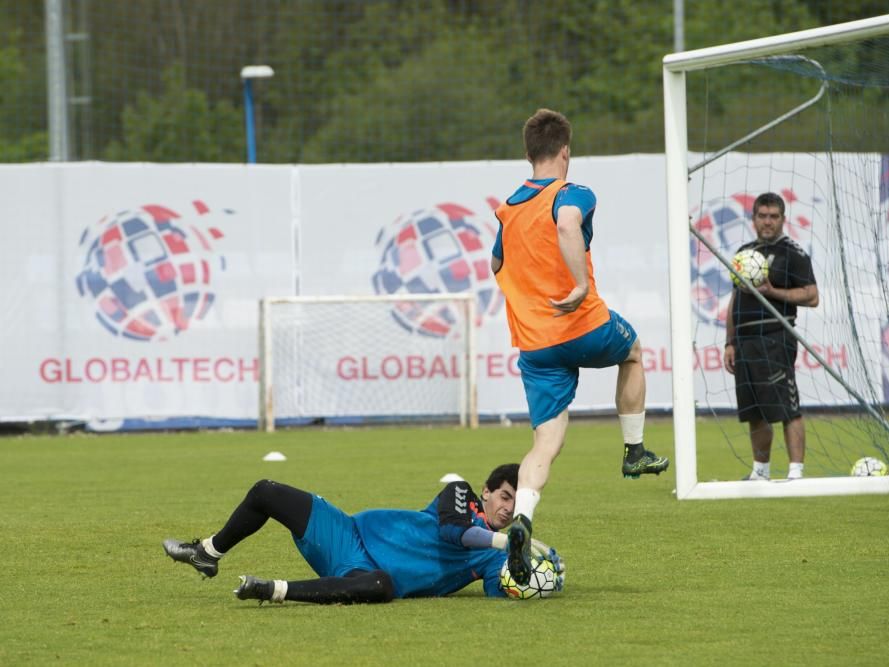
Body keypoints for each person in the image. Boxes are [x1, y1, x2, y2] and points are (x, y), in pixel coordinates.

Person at [491, 108, 668, 585]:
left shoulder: (508, 209)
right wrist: (575, 283)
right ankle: (634, 450)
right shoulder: (573, 191)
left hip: (535, 346)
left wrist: (527, 297)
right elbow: (568, 224)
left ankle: (523, 518)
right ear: (565, 152)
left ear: (528, 153)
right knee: (632, 352)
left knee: (545, 443)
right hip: (582, 324)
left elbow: (496, 265)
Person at [162, 464, 554, 603]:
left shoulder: (498, 556)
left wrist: (542, 574)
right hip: (346, 534)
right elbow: (455, 533)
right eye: (504, 496)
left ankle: (273, 589)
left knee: (382, 586)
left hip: (364, 574)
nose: (507, 507)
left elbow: (504, 588)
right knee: (266, 491)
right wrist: (510, 539)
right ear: (487, 492)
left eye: (515, 503)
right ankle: (208, 552)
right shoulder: (461, 493)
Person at [723, 192, 819, 481]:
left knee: (787, 407)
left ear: (782, 219)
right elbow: (734, 300)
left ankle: (795, 473)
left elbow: (812, 296)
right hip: (745, 341)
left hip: (776, 337)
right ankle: (760, 472)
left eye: (773, 216)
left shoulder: (793, 253)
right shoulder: (744, 252)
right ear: (753, 219)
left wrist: (772, 291)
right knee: (754, 410)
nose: (768, 222)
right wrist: (730, 341)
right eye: (762, 216)